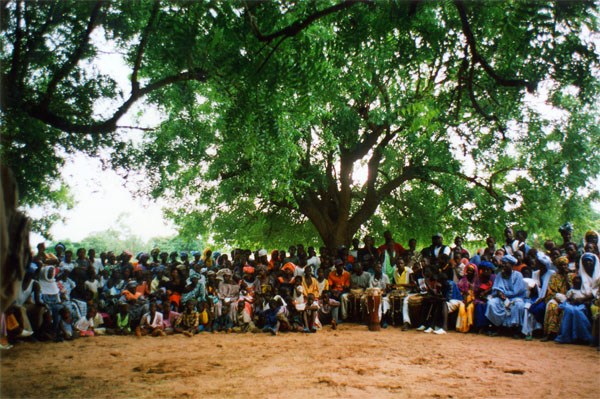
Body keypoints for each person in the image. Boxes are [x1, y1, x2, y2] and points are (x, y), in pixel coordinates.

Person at [484, 255, 527, 337]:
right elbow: (497, 288)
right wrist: (502, 297)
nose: (503, 265)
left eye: (505, 263)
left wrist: (506, 296)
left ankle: (515, 329)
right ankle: (497, 326)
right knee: (491, 303)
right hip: (501, 297)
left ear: (511, 265)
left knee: (518, 305)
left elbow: (517, 291)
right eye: (502, 263)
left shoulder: (518, 275)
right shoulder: (500, 275)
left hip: (515, 297)